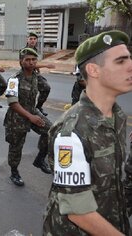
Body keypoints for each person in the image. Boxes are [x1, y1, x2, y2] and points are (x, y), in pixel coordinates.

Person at [43, 30, 132, 235]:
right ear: (93, 70)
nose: (130, 65)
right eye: (120, 61)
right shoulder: (71, 131)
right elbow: (77, 211)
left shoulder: (117, 116)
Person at [4, 48, 52, 187]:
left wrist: (38, 108)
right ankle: (14, 172)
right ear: (21, 62)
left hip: (33, 112)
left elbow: (46, 88)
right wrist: (31, 117)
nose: (31, 62)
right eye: (27, 60)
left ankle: (40, 159)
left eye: (33, 60)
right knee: (16, 147)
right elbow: (12, 103)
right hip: (17, 117)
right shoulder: (14, 80)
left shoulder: (36, 77)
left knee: (51, 131)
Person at [25, 32, 55, 116]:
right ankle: (28, 112)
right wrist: (46, 65)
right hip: (26, 75)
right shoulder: (25, 51)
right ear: (27, 40)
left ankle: (38, 107)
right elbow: (30, 64)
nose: (32, 41)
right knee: (29, 95)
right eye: (31, 39)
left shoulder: (34, 49)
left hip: (34, 74)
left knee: (46, 88)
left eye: (34, 39)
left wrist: (38, 69)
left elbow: (35, 62)